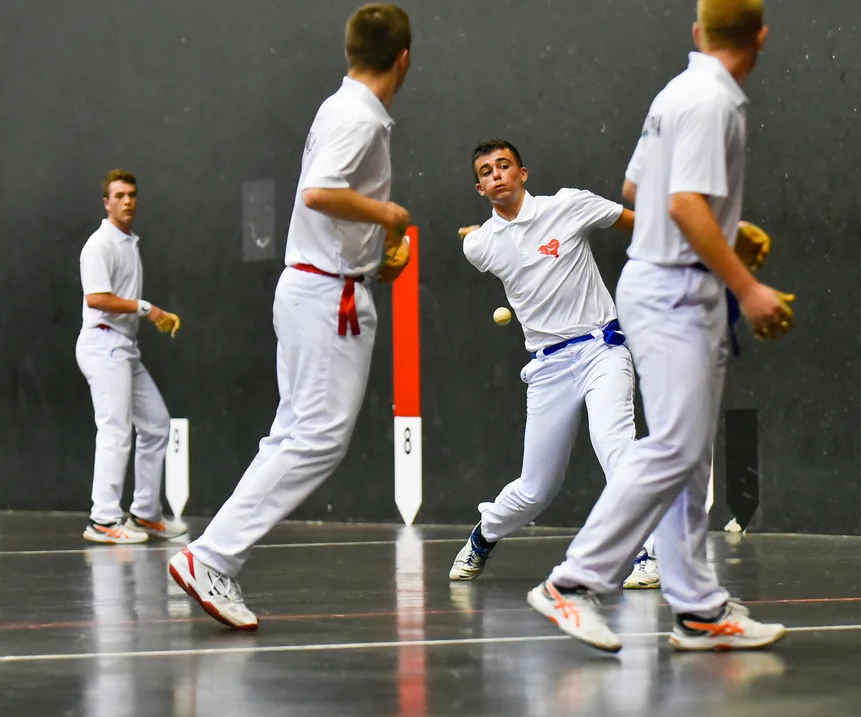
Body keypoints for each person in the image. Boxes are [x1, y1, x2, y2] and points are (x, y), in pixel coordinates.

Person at [526, 0, 795, 652]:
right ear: (760, 37)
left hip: (669, 286)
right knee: (675, 446)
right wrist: (748, 285)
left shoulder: (677, 92)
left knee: (689, 454)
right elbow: (683, 205)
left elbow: (636, 188)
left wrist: (725, 230)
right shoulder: (713, 101)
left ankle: (698, 609)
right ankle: (572, 583)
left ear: (698, 32)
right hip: (674, 292)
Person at [168, 3, 413, 630]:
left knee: (294, 435)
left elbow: (329, 200)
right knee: (316, 438)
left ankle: (212, 556)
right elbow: (319, 192)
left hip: (323, 287)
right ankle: (211, 557)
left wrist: (371, 254)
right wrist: (389, 217)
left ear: (349, 51)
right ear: (404, 60)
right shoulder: (359, 115)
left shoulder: (342, 106)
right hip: (325, 298)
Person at [450, 140, 660, 590]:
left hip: (602, 350)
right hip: (547, 368)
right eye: (486, 172)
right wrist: (477, 231)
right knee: (536, 489)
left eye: (504, 166)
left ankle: (647, 553)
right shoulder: (480, 246)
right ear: (480, 188)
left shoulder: (569, 205)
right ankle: (484, 535)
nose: (497, 175)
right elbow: (491, 238)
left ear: (523, 173)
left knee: (615, 447)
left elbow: (637, 224)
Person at [76, 169, 187, 544]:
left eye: (132, 195)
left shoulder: (128, 242)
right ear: (106, 202)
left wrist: (147, 313)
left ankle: (144, 514)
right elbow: (96, 298)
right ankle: (103, 520)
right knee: (115, 430)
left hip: (124, 347)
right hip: (102, 344)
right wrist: (147, 309)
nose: (127, 201)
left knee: (156, 425)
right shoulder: (99, 244)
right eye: (119, 195)